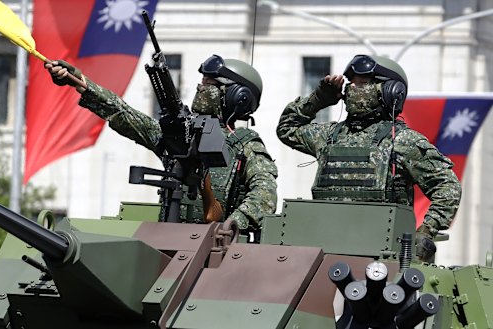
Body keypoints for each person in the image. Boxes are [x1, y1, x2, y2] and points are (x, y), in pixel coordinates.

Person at [45, 55, 278, 238]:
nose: (201, 87)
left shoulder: (245, 144)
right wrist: (80, 82)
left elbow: (264, 194)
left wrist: (231, 226)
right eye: (202, 81)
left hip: (215, 249)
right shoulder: (181, 131)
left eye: (210, 83)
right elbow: (124, 114)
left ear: (238, 96)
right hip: (165, 238)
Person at [276, 54, 461, 262]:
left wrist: (427, 231)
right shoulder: (328, 136)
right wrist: (320, 99)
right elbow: (287, 128)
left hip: (381, 260)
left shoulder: (402, 141)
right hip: (321, 252)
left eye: (362, 83)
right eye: (351, 83)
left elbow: (447, 187)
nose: (351, 89)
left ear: (390, 92)